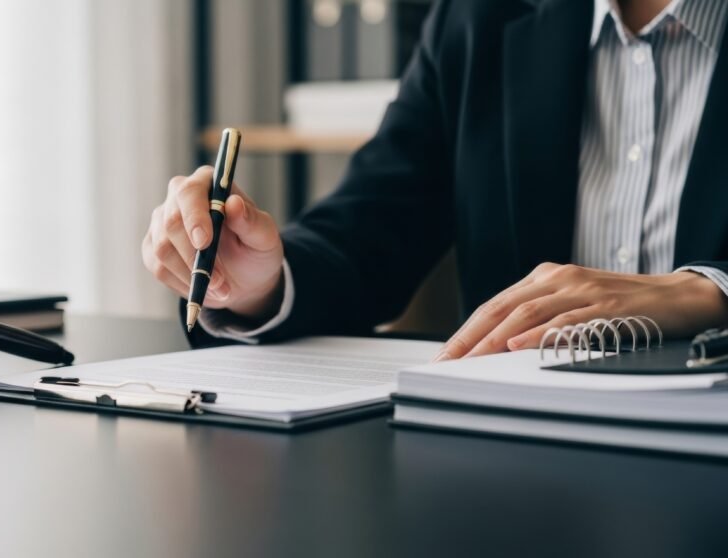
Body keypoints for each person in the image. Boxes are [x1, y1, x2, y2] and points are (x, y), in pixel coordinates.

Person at [142, 0, 728, 359]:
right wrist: (261, 282)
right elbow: (370, 226)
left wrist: (711, 293)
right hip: (523, 457)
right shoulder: (479, 16)